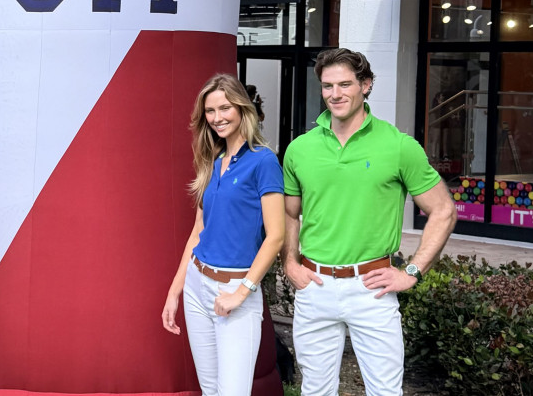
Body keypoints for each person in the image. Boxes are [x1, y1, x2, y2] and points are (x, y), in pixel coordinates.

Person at [281, 48, 456, 395]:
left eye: (345, 84)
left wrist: (412, 272)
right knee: (314, 390)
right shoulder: (299, 149)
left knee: (385, 392)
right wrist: (289, 262)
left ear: (366, 85)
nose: (335, 94)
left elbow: (444, 210)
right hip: (314, 286)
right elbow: (289, 213)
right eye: (328, 86)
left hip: (372, 289)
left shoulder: (399, 146)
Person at [162, 74, 285, 396]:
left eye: (225, 108)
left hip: (236, 287)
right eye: (210, 111)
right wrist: (175, 291)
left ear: (242, 108)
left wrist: (241, 294)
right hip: (197, 284)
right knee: (210, 390)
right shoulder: (213, 161)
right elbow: (198, 232)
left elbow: (276, 236)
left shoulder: (263, 161)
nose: (217, 118)